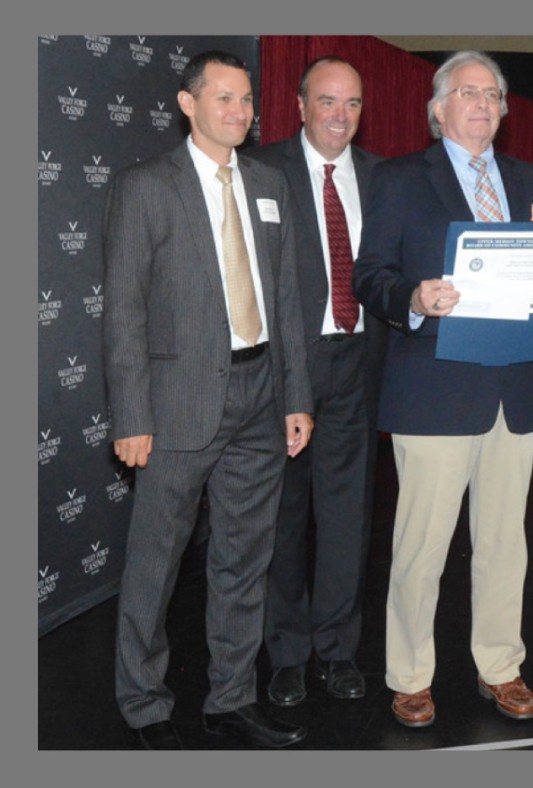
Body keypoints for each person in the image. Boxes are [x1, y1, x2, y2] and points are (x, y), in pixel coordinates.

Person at [353, 50, 533, 728]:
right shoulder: (396, 179)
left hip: (511, 390)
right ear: (438, 108)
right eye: (467, 93)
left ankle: (500, 666)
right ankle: (411, 674)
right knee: (421, 547)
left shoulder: (529, 176)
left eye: (493, 95)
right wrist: (414, 297)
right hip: (432, 391)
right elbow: (371, 278)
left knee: (507, 542)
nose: (482, 104)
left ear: (505, 111)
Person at [103, 50, 314, 749]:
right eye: (223, 98)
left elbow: (284, 298)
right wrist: (132, 416)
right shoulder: (146, 187)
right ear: (187, 104)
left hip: (260, 394)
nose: (239, 111)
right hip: (176, 405)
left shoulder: (270, 183)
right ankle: (144, 705)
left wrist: (296, 396)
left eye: (247, 99)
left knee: (243, 558)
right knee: (156, 562)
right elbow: (124, 312)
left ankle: (230, 699)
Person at [246, 56, 385, 708]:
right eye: (327, 101)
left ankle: (336, 650)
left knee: (347, 516)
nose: (340, 115)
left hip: (359, 362)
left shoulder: (382, 177)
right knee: (284, 517)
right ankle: (288, 656)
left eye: (352, 103)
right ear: (300, 106)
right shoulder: (262, 172)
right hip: (288, 371)